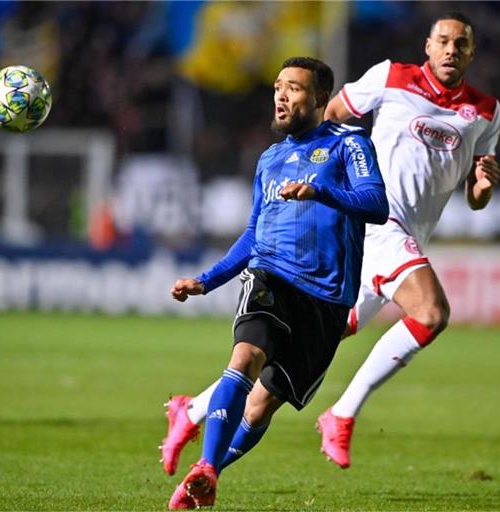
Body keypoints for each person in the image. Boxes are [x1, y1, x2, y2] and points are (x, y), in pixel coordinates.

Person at [160, 11, 500, 474]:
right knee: (431, 313)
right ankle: (342, 414)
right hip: (380, 224)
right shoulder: (391, 77)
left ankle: (194, 411)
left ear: (471, 52)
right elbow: (332, 121)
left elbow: (477, 196)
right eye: (442, 40)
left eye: (460, 44)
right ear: (427, 45)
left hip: (389, 239)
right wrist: (318, 175)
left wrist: (482, 187)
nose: (450, 50)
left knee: (298, 351)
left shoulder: (485, 112)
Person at [165, 56, 388, 509]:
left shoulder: (350, 144)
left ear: (320, 99)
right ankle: (205, 465)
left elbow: (375, 203)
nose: (281, 96)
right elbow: (253, 233)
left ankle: (208, 476)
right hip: (271, 275)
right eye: (277, 87)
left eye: (294, 88)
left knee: (262, 405)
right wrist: (206, 282)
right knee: (245, 357)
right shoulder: (270, 159)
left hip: (326, 299)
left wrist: (320, 191)